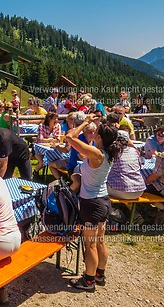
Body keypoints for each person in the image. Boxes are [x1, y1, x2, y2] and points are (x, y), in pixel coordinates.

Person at [66, 115, 124, 291]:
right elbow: (90, 157)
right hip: (104, 201)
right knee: (100, 241)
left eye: (96, 133)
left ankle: (88, 281)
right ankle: (100, 274)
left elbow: (69, 137)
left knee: (89, 243)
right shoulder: (106, 153)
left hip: (91, 203)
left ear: (99, 137)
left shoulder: (97, 154)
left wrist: (84, 122)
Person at [106, 131, 146, 200]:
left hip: (122, 191)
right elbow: (139, 166)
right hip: (140, 190)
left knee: (99, 185)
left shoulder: (113, 152)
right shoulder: (134, 151)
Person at [33, 112, 61, 178]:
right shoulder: (42, 126)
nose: (56, 120)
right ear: (49, 119)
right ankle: (35, 173)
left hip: (52, 149)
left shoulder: (57, 126)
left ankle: (60, 177)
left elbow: (58, 139)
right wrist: (51, 139)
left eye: (57, 118)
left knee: (57, 159)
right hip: (38, 149)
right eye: (55, 119)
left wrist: (47, 139)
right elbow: (40, 139)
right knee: (42, 162)